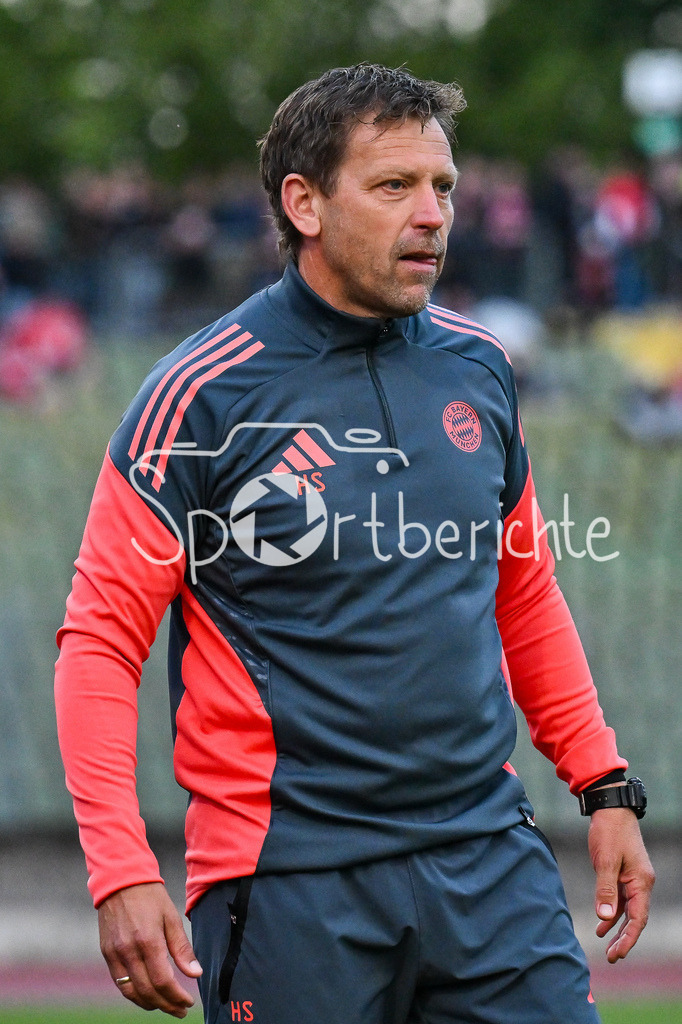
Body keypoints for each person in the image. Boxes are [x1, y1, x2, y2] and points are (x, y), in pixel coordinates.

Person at [55, 63, 654, 1024]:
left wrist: (602, 781)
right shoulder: (199, 396)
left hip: (491, 862)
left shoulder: (483, 368)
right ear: (304, 204)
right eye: (393, 187)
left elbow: (525, 592)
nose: (433, 215)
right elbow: (98, 643)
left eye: (443, 187)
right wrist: (120, 866)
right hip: (293, 880)